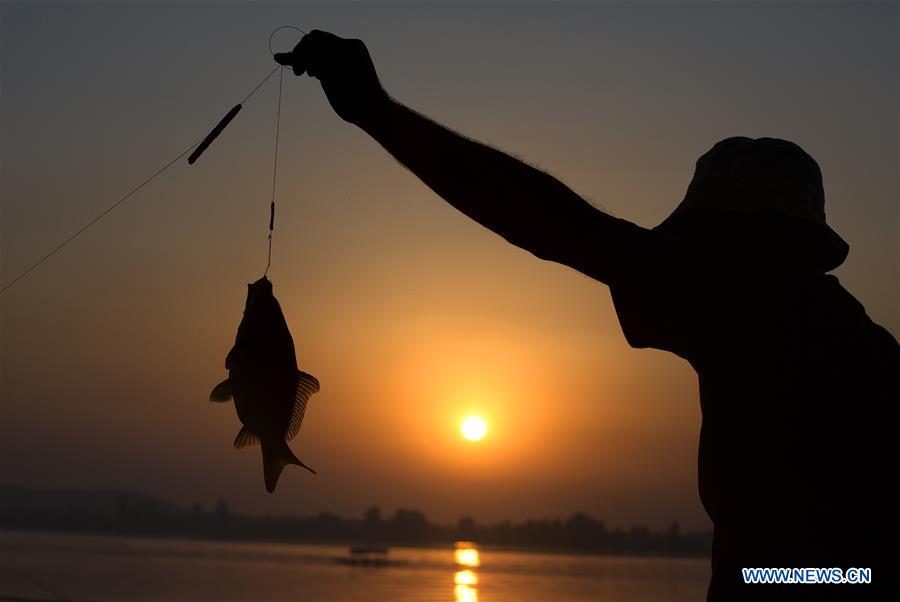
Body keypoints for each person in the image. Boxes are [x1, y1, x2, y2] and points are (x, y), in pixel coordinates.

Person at [276, 31, 897, 601]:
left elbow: (556, 224)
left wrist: (376, 112)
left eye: (702, 241)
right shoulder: (830, 334)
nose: (677, 260)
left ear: (758, 247)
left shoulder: (764, 317)